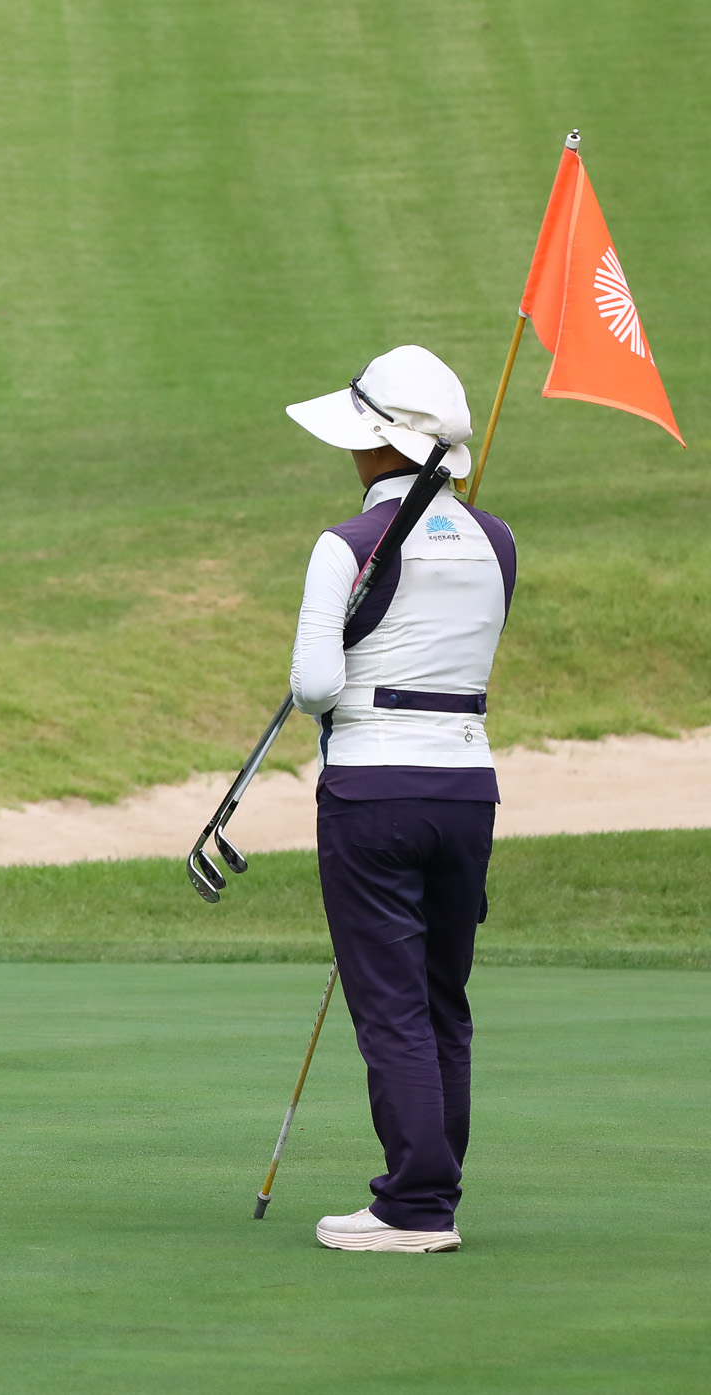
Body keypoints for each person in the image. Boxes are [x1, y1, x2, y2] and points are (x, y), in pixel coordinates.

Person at [283, 345, 518, 1252]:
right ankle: (435, 1189)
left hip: (371, 793)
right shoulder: (498, 539)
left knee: (390, 1005)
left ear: (379, 445)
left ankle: (416, 1205)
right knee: (441, 998)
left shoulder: (344, 544)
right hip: (467, 790)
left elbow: (312, 686)